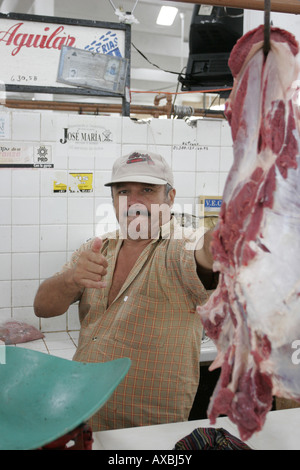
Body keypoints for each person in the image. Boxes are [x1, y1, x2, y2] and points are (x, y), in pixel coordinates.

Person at [34, 150, 216, 431]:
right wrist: (72, 278)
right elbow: (43, 307)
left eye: (147, 190)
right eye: (123, 191)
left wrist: (232, 231)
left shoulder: (180, 245)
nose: (133, 202)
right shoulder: (98, 248)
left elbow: (208, 253)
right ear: (112, 200)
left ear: (170, 197)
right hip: (83, 411)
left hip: (147, 428)